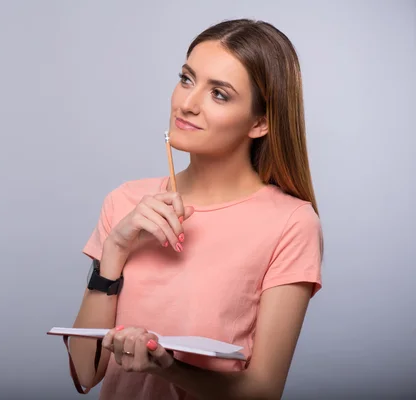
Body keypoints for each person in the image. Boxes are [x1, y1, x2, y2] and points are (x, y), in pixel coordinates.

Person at [67, 18, 323, 400]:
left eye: (219, 94)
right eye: (187, 79)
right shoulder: (125, 202)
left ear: (260, 122)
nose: (187, 103)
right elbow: (86, 373)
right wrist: (115, 250)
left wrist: (167, 366)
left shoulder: (291, 223)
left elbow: (263, 391)